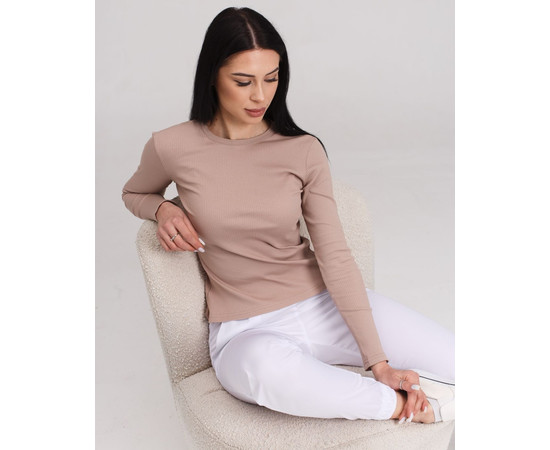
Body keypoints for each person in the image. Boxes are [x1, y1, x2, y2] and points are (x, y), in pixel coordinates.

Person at [122, 7, 454, 424]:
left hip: (322, 305)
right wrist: (162, 208)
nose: (261, 96)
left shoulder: (303, 150)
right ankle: (406, 408)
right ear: (212, 76)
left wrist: (379, 363)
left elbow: (335, 255)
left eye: (272, 78)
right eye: (243, 81)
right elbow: (134, 192)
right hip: (246, 331)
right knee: (264, 371)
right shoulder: (172, 145)